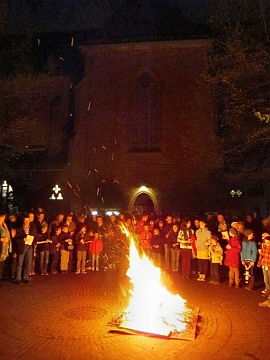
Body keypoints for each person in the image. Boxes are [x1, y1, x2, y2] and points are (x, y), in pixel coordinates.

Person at [15, 214, 38, 285]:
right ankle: (18, 278)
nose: (26, 222)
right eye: (25, 221)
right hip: (22, 247)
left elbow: (36, 237)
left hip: (30, 247)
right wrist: (22, 239)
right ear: (23, 221)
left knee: (28, 263)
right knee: (20, 263)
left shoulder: (33, 228)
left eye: (27, 221)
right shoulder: (19, 229)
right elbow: (16, 239)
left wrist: (33, 243)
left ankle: (26, 277)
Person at [257, 235, 270, 304]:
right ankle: (267, 290)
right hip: (265, 266)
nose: (267, 244)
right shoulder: (264, 248)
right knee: (266, 279)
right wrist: (259, 264)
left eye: (268, 242)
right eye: (266, 242)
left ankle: (268, 292)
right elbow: (261, 256)